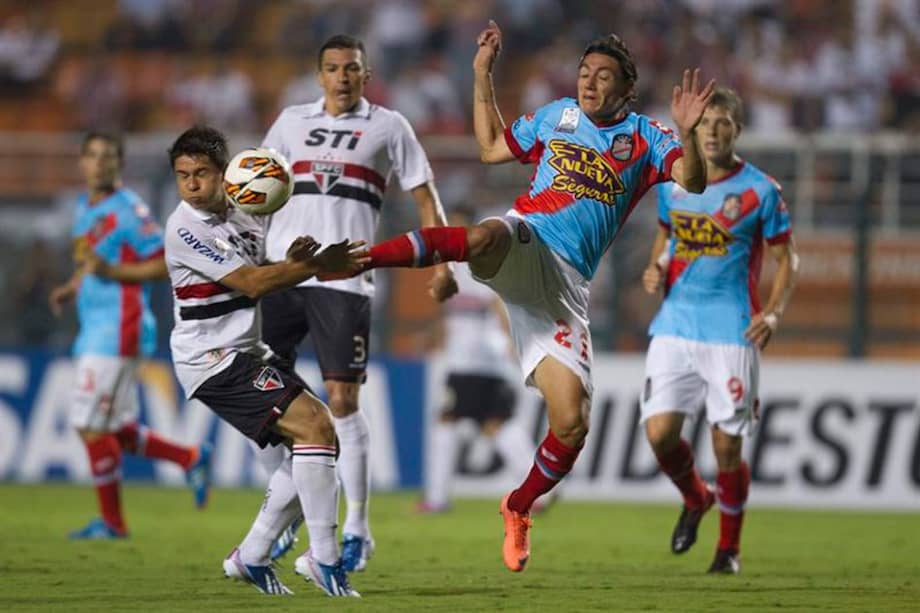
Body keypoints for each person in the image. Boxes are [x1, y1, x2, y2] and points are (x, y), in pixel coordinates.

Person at [344, 21, 715, 572]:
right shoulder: (557, 116)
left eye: (603, 76)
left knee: (571, 424)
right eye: (585, 73)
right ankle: (367, 254)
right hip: (530, 238)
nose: (589, 84)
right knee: (483, 236)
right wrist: (481, 74)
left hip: (565, 290)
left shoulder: (646, 136)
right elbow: (492, 148)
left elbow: (697, 181)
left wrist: (687, 132)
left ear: (626, 88)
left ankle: (518, 506)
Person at [257, 33, 458, 573]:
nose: (342, 76)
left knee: (341, 400)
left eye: (351, 68)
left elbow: (424, 196)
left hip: (345, 276)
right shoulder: (289, 122)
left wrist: (440, 263)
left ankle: (358, 529)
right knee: (266, 402)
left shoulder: (389, 126)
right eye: (332, 68)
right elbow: (255, 191)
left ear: (366, 75)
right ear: (318, 74)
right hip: (282, 272)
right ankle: (286, 516)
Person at [161, 125, 367, 596]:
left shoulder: (247, 209)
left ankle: (252, 556)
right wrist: (313, 266)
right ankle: (325, 560)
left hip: (245, 351)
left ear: (224, 173)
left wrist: (296, 259)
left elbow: (267, 266)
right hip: (210, 358)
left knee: (310, 452)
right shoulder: (184, 226)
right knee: (316, 426)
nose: (192, 184)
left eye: (202, 173)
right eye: (182, 175)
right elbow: (253, 283)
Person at [639, 87, 798, 574]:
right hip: (675, 322)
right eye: (705, 122)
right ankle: (695, 497)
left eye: (722, 122)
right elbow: (668, 232)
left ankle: (728, 549)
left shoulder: (760, 190)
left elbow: (785, 257)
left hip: (731, 330)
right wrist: (655, 265)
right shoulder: (674, 182)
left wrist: (771, 313)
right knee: (660, 435)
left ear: (738, 130)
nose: (712, 131)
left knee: (726, 445)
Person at [48, 130, 212, 540]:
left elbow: (164, 264)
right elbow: (93, 260)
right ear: (82, 162)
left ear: (120, 163)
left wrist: (112, 274)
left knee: (90, 425)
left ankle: (113, 523)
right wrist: (74, 285)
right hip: (95, 328)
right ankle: (189, 457)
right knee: (114, 426)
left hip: (119, 329)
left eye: (109, 156)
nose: (100, 163)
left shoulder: (130, 211)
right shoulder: (87, 208)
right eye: (93, 155)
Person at [416, 207, 539, 515]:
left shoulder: (480, 264)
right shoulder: (453, 268)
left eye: (456, 227)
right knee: (497, 424)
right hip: (481, 361)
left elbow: (500, 305)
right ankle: (540, 493)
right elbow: (450, 316)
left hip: (473, 361)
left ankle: (437, 498)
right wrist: (435, 341)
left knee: (448, 422)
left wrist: (513, 342)